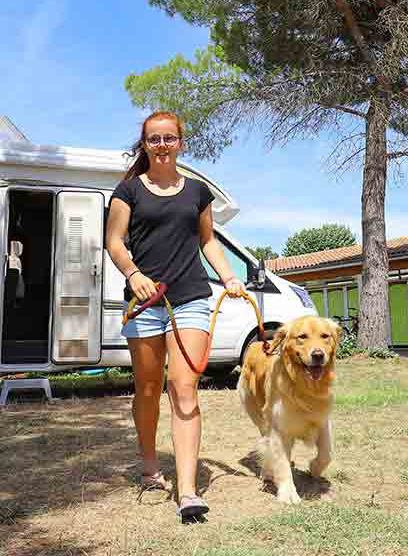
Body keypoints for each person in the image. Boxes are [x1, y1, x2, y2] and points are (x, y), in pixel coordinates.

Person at [104, 110, 248, 520]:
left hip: (190, 298)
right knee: (148, 389)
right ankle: (150, 464)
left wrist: (229, 277)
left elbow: (208, 241)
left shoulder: (198, 192)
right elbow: (114, 242)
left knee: (183, 387)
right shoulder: (128, 190)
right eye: (155, 139)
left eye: (170, 138)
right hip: (145, 302)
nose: (163, 145)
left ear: (181, 143)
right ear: (145, 144)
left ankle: (187, 490)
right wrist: (133, 275)